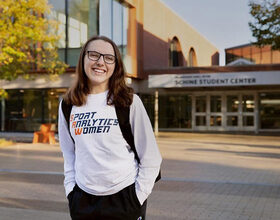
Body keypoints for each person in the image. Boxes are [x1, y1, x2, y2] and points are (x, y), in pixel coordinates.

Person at [58, 35, 162, 220]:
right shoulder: (68, 105)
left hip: (124, 197)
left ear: (116, 66)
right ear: (83, 59)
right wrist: (71, 191)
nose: (100, 62)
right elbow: (69, 153)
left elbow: (151, 157)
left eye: (108, 58)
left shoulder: (129, 102)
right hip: (82, 200)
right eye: (94, 55)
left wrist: (137, 197)